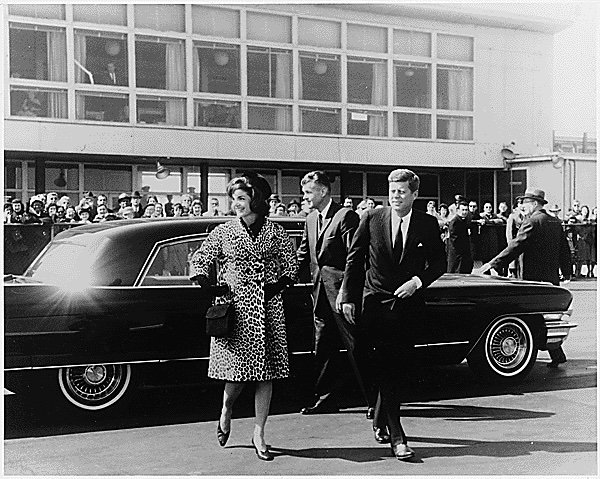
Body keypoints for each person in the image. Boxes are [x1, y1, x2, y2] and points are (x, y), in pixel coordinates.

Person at [190, 172, 298, 461]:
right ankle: (226, 410)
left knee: (266, 375)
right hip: (234, 309)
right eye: (233, 199)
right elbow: (200, 258)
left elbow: (291, 264)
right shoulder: (223, 232)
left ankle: (259, 432)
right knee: (236, 374)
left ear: (256, 199)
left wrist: (278, 285)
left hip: (267, 309)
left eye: (242, 198)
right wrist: (207, 282)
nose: (236, 204)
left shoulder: (275, 232)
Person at [341, 168, 446, 461]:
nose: (395, 196)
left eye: (401, 191)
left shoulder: (427, 223)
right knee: (368, 363)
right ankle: (380, 412)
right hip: (372, 304)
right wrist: (348, 296)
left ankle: (397, 435)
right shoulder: (372, 218)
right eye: (392, 191)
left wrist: (417, 282)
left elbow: (440, 261)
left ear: (414, 194)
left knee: (392, 368)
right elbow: (355, 258)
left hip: (405, 307)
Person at [479, 188, 572, 368]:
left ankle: (534, 355)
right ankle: (557, 353)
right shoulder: (555, 221)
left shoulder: (532, 222)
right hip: (551, 278)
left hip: (531, 278)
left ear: (535, 204)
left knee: (532, 317)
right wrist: (566, 272)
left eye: (526, 202)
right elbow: (564, 250)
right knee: (549, 317)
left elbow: (516, 246)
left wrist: (492, 264)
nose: (522, 206)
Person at [296, 171, 361, 415]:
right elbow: (304, 255)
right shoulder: (311, 219)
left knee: (356, 348)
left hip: (343, 296)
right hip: (320, 295)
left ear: (323, 191)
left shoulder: (346, 216)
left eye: (308, 192)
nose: (305, 197)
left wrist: (347, 292)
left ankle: (374, 403)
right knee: (323, 346)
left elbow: (355, 258)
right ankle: (326, 398)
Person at [447, 201, 473, 273]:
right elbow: (454, 240)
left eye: (466, 210)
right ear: (458, 210)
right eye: (463, 210)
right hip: (457, 255)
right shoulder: (455, 222)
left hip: (464, 254)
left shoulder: (464, 221)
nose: (464, 212)